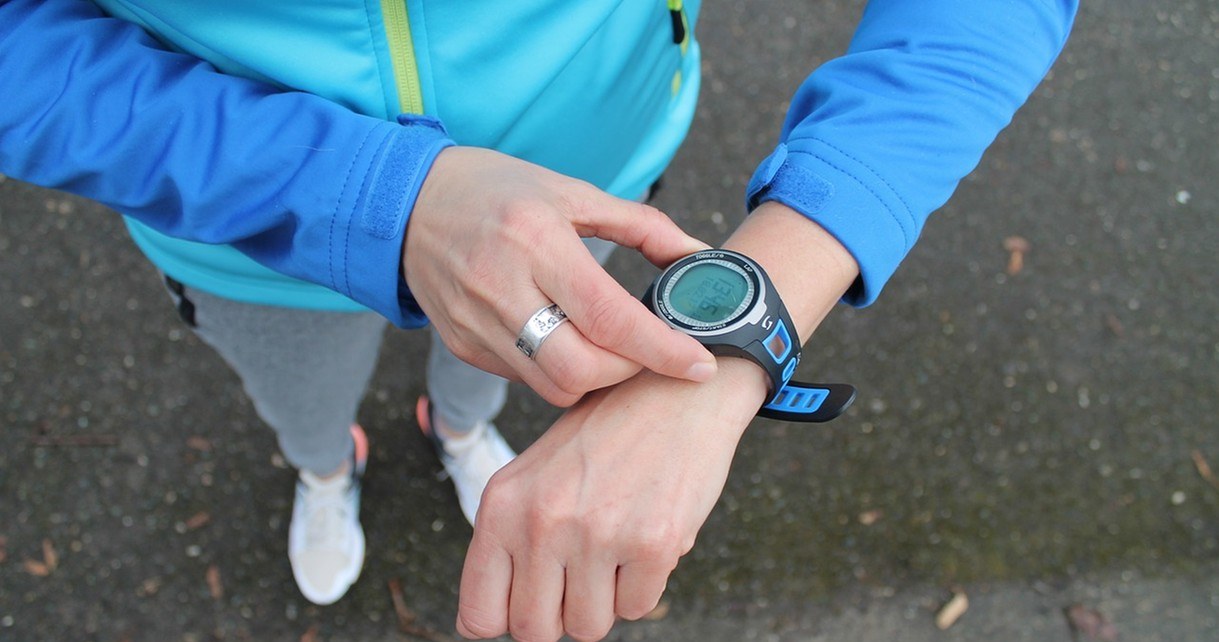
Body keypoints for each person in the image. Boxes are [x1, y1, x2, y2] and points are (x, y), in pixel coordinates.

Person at [0, 0, 1078, 639]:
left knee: (518, 373)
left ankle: (458, 430)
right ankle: (327, 468)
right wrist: (376, 193)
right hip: (244, 239)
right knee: (300, 402)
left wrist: (745, 332)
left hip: (591, 185)